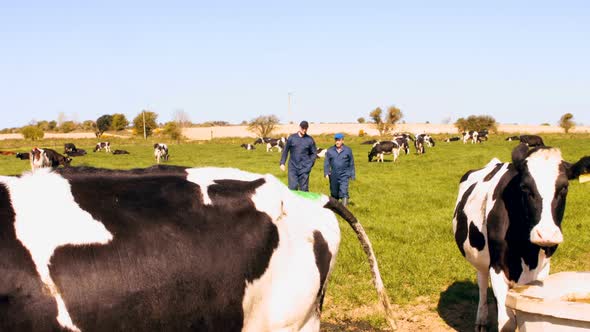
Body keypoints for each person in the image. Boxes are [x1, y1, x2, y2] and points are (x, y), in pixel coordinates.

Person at [279, 120, 317, 191]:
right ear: (299, 127)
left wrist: (310, 164)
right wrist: (282, 163)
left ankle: (304, 202)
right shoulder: (291, 138)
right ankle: (292, 202)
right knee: (293, 187)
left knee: (304, 189)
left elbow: (314, 153)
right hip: (293, 167)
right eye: (303, 128)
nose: (304, 130)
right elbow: (285, 151)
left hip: (305, 168)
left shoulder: (310, 140)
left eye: (306, 128)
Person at [324, 133, 355, 206]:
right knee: (334, 192)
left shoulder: (348, 150)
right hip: (333, 174)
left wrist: (352, 174)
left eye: (339, 140)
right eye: (336, 140)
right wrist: (326, 172)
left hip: (344, 174)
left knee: (344, 191)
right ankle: (335, 207)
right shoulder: (330, 150)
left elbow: (351, 163)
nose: (337, 142)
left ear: (342, 141)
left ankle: (344, 209)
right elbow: (327, 162)